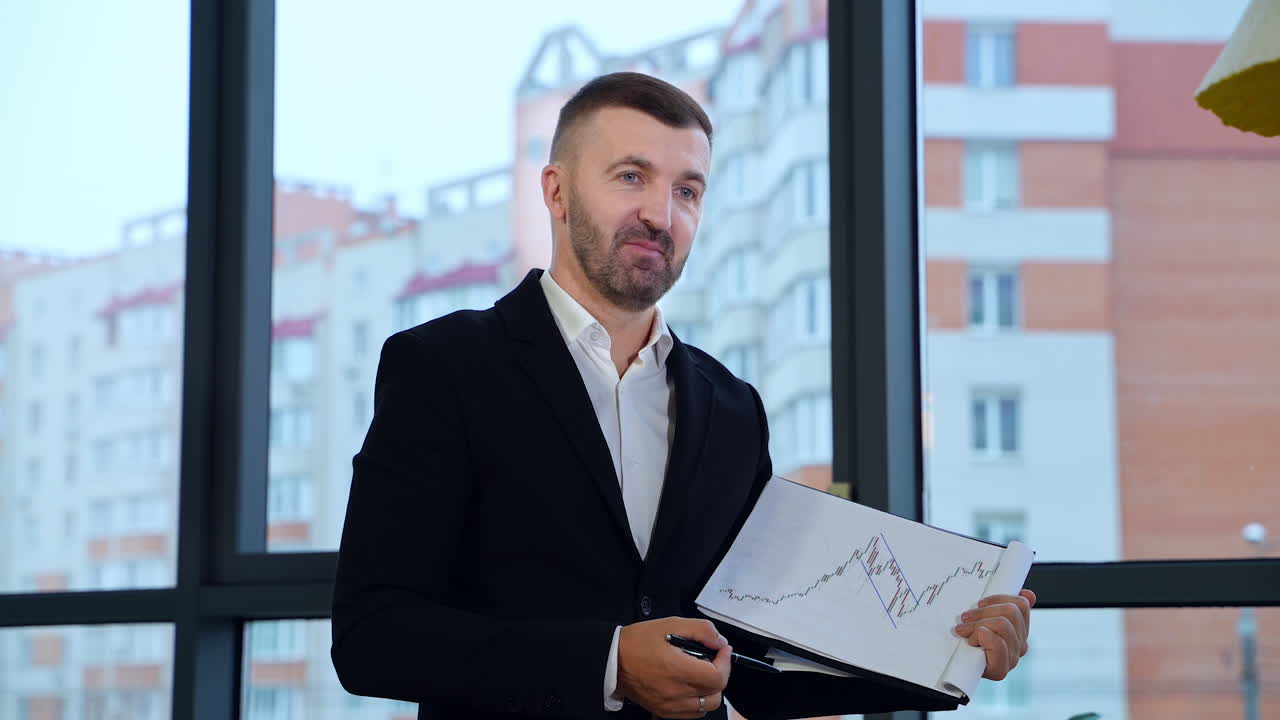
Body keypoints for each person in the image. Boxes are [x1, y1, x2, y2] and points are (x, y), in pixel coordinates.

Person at [330, 71, 1035, 720]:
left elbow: (749, 662)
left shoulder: (732, 408)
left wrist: (948, 659)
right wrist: (608, 663)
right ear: (556, 191)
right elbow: (374, 635)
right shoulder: (444, 367)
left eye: (687, 190)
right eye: (631, 176)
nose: (661, 215)